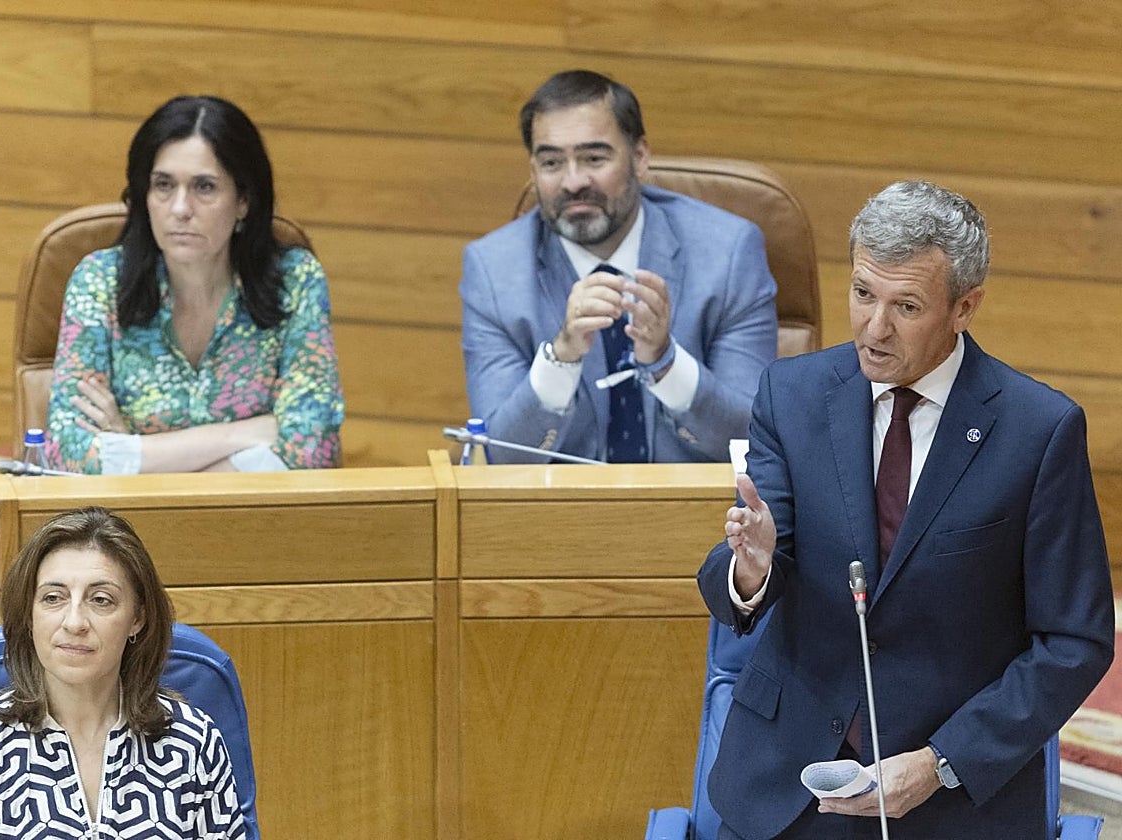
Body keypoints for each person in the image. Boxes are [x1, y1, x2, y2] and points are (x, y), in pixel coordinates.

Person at [697, 181, 1114, 838]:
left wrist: (940, 764)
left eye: (907, 306)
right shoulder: (792, 394)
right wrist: (750, 568)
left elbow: (1074, 642)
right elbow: (754, 570)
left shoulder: (1038, 431)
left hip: (953, 797)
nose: (874, 327)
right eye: (863, 293)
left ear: (964, 307)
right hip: (789, 786)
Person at [460, 70, 778, 463]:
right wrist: (561, 357)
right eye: (552, 162)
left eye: (594, 158)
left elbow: (754, 441)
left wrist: (666, 362)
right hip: (560, 501)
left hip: (696, 499)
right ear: (532, 171)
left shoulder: (727, 254)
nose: (573, 182)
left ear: (639, 158)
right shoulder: (493, 271)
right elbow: (500, 458)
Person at [46, 95, 343, 474]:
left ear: (244, 201)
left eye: (204, 187)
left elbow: (313, 450)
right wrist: (242, 435)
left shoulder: (295, 281)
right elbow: (68, 453)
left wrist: (131, 452)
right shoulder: (100, 282)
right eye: (163, 185)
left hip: (248, 515)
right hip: (147, 519)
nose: (180, 209)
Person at [0, 506, 245, 839]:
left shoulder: (194, 742)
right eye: (53, 598)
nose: (75, 622)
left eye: (101, 600)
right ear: (29, 615)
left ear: (137, 618)